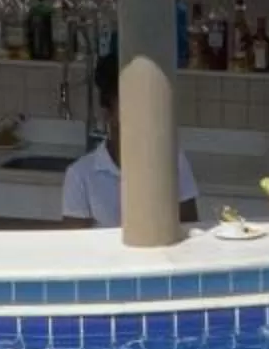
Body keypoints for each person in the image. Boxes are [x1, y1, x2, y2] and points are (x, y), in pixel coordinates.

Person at [61, 54, 199, 229]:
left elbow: (190, 227)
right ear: (108, 113)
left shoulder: (172, 159)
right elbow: (76, 242)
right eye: (128, 105)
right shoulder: (80, 175)